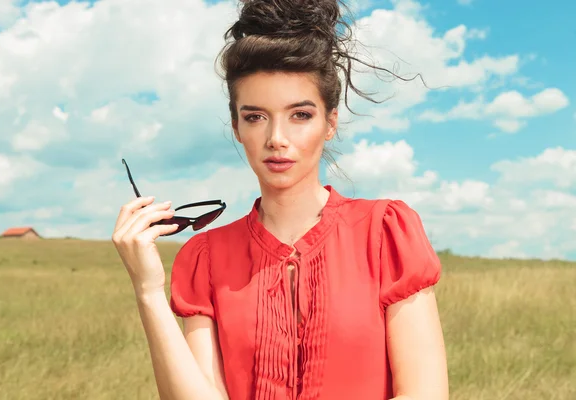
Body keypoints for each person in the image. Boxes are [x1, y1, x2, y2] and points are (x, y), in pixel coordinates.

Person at [112, 0, 448, 399]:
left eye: (300, 115)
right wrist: (148, 291)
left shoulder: (386, 233)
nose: (276, 138)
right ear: (236, 126)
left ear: (330, 122)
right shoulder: (205, 258)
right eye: (255, 116)